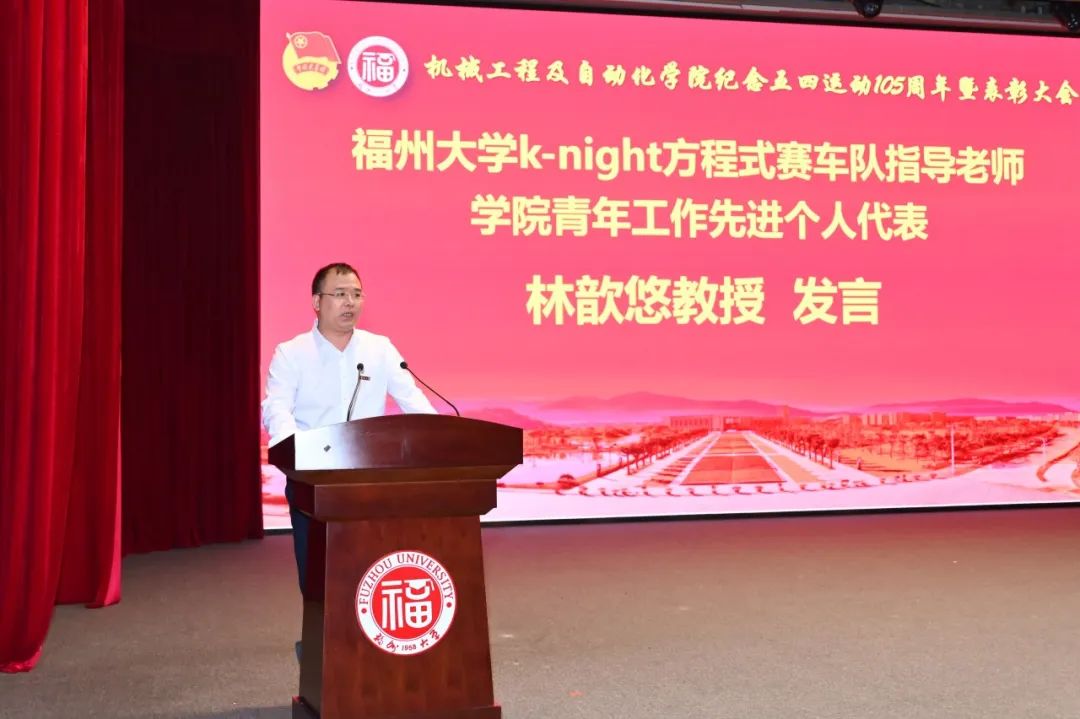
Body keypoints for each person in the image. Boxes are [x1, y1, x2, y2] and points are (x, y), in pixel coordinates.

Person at [261, 262, 436, 621]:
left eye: (356, 294)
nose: (350, 302)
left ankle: (368, 640)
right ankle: (319, 640)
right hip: (313, 481)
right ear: (317, 302)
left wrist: (442, 436)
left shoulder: (379, 349)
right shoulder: (291, 353)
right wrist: (298, 454)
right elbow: (276, 409)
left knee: (373, 570)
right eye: (340, 294)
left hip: (370, 481)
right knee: (317, 575)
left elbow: (413, 400)